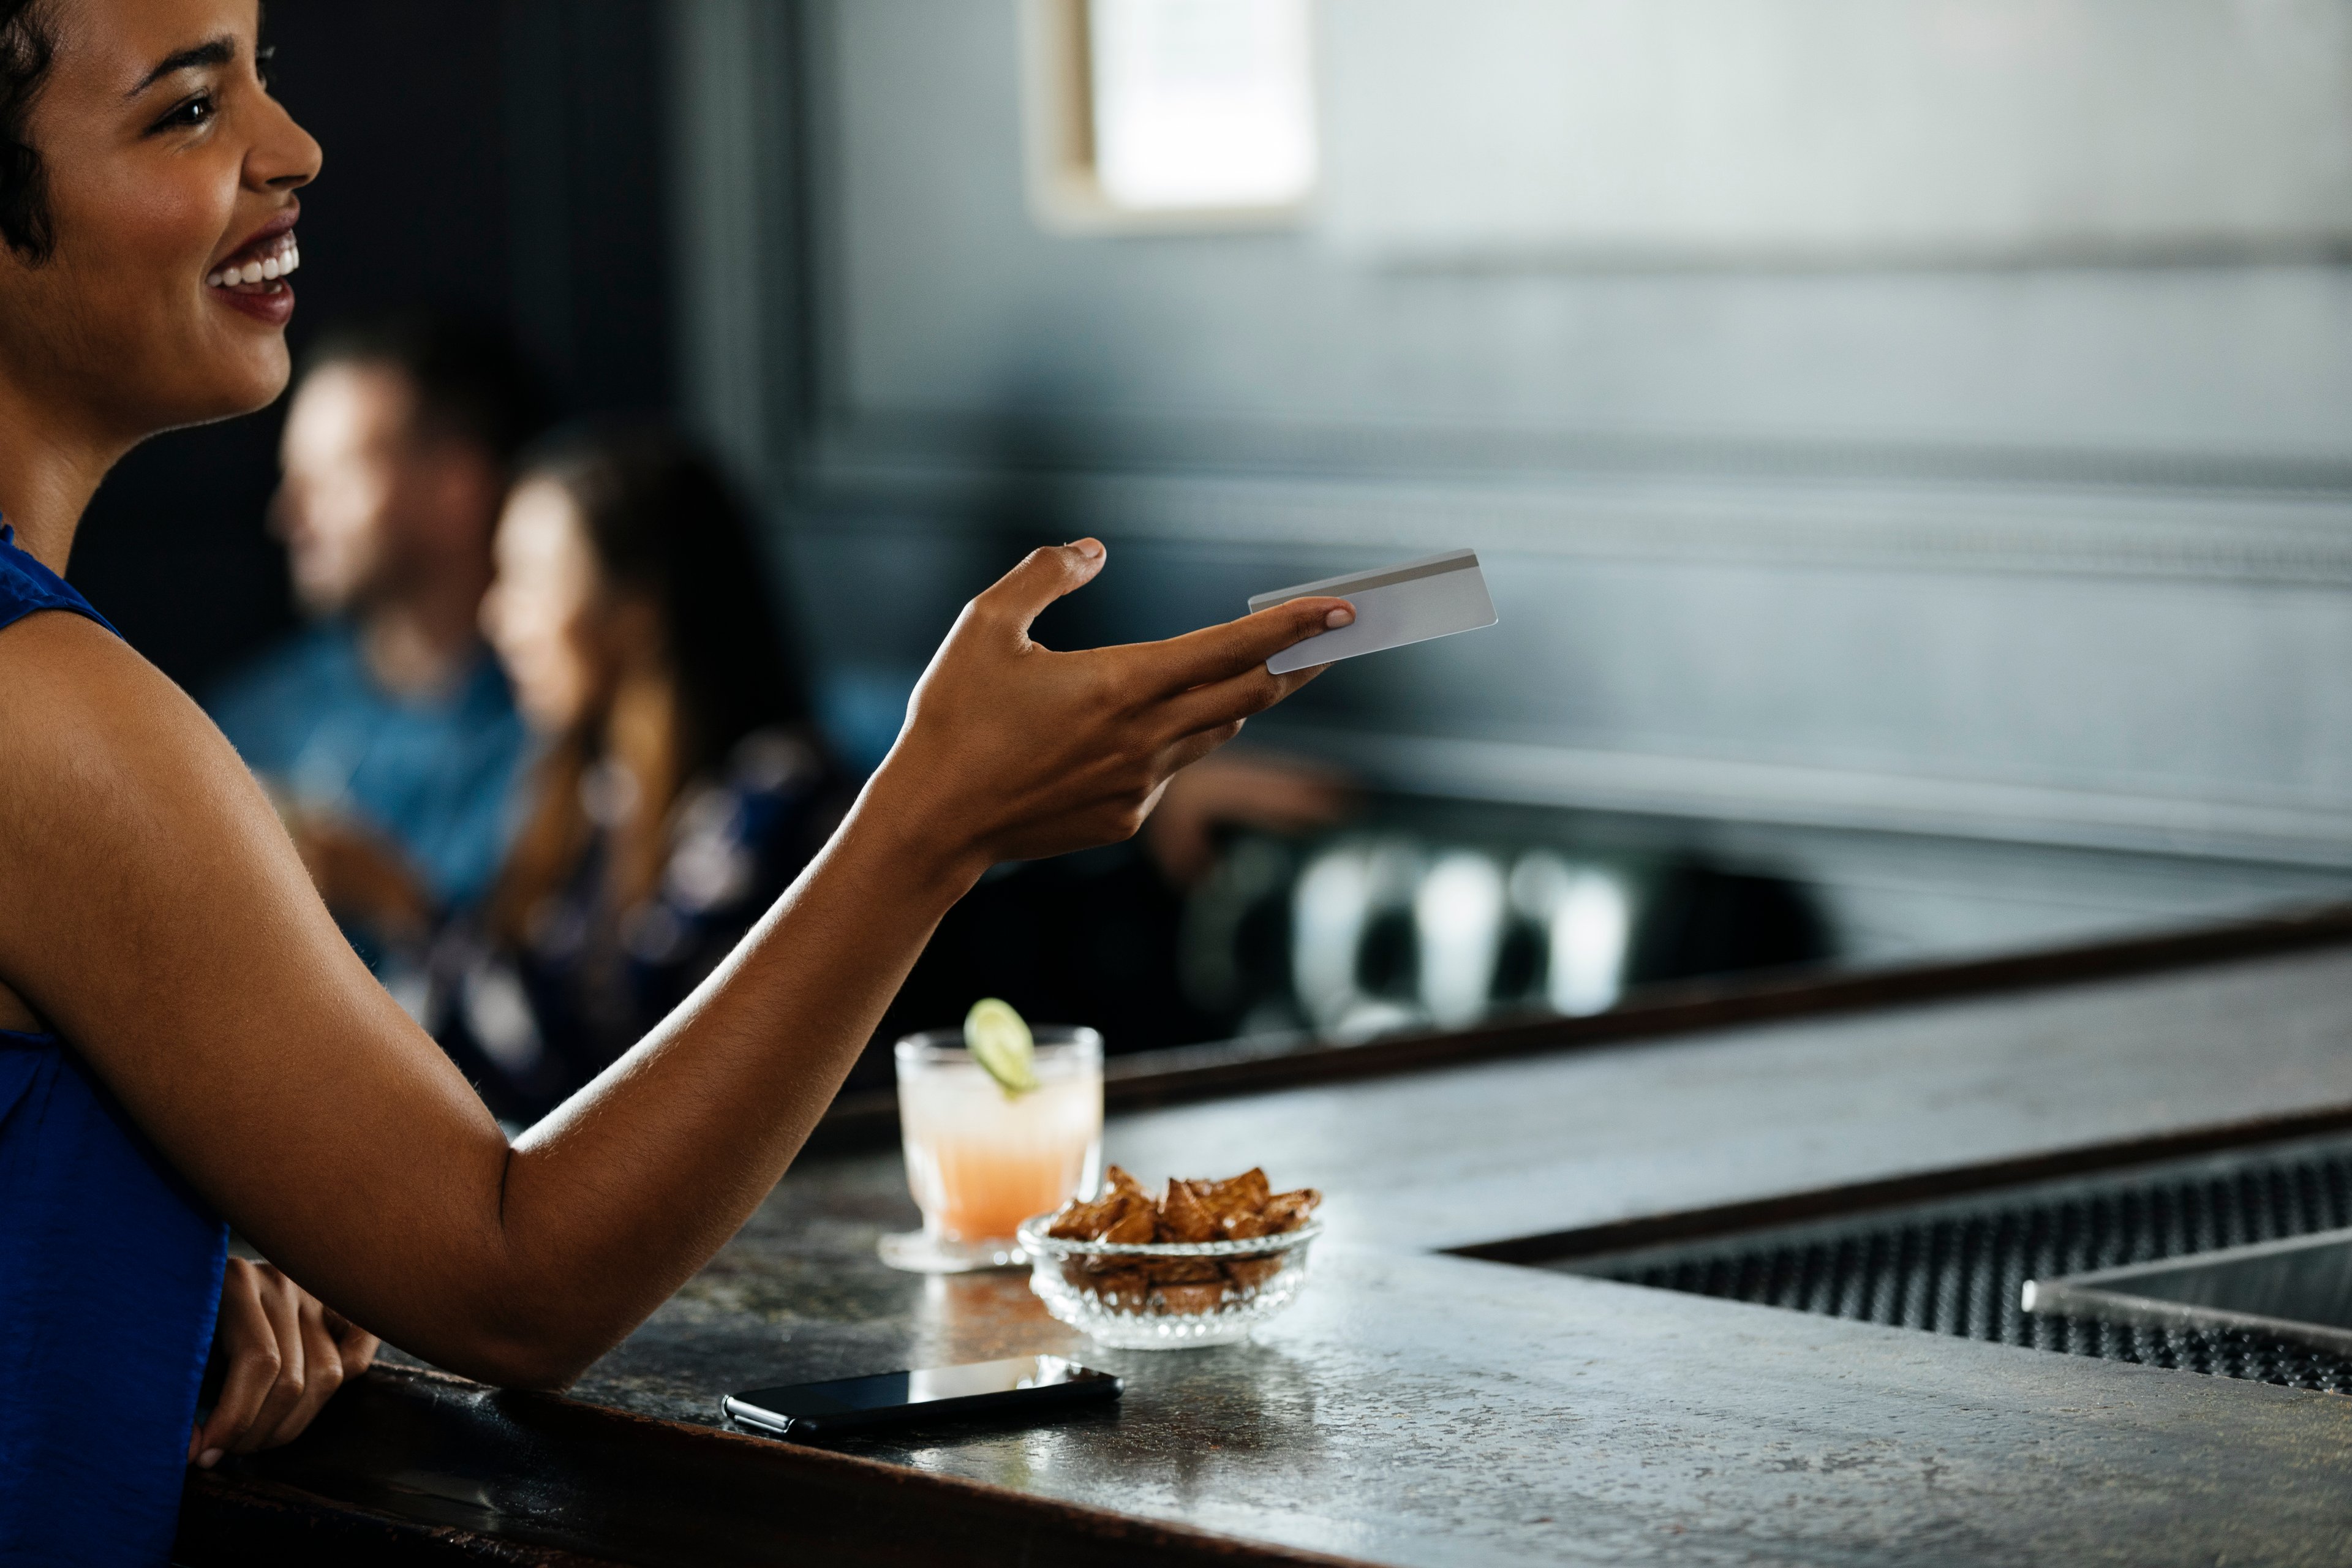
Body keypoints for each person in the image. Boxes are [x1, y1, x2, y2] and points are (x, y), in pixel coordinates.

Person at [0, 4, 1354, 1562]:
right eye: (185, 109)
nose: (293, 150)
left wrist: (199, 1221)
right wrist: (929, 821)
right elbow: (513, 1276)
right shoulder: (56, 716)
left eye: (265, 75)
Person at [432, 425, 851, 1124]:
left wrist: (404, 908)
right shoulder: (590, 787)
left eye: (529, 580)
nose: (496, 616)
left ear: (639, 609)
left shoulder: (779, 800)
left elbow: (637, 1069)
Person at [206, 311, 541, 949]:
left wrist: (390, 901)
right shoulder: (249, 721)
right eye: (293, 480)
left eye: (332, 479)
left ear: (456, 489)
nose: (288, 516)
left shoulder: (558, 737)